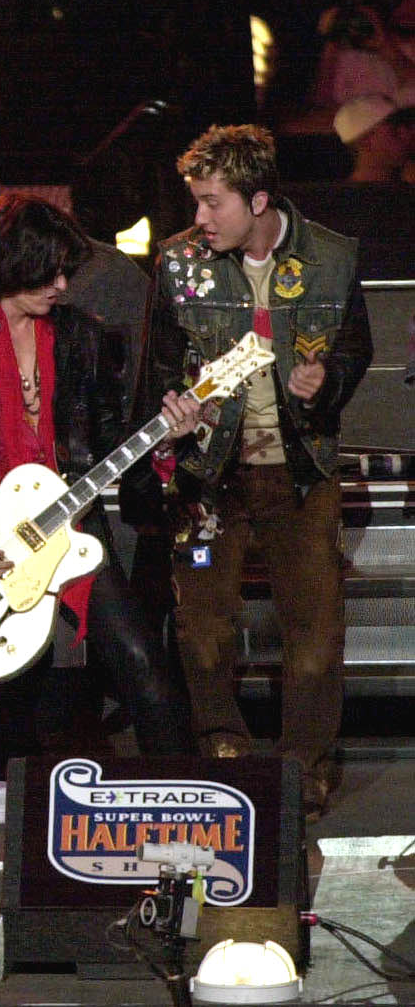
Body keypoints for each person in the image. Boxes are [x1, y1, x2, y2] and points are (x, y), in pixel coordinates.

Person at [0, 196, 197, 867]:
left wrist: (167, 441)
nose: (61, 285)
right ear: (11, 264)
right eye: (48, 272)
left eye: (64, 273)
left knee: (144, 664)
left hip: (72, 528)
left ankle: (193, 810)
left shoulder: (84, 336)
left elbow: (112, 441)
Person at [147, 124, 372, 820]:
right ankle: (224, 751)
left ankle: (304, 763)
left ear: (259, 198)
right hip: (209, 473)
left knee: (313, 625)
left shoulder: (331, 257)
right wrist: (172, 406)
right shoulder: (178, 264)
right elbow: (159, 362)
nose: (200, 217)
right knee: (203, 625)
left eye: (214, 202)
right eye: (197, 201)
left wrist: (325, 380)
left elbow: (357, 347)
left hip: (298, 468)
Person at [333, 91, 415, 183]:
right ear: (364, 141)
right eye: (395, 129)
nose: (409, 133)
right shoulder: (342, 196)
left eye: (407, 124)